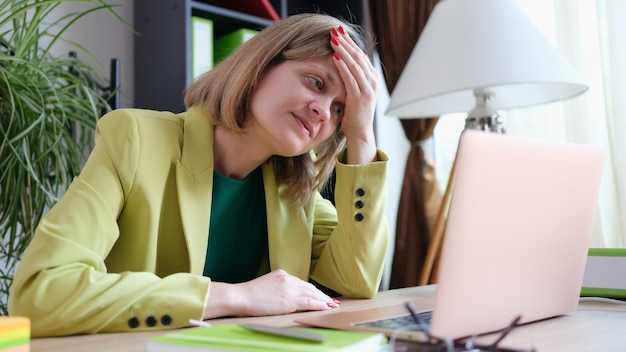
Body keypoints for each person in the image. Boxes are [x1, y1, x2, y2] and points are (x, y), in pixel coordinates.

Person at [8, 13, 389, 337]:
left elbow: (355, 282)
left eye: (340, 110)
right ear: (260, 65)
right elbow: (40, 292)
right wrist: (236, 297)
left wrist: (361, 132)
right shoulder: (136, 140)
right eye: (316, 82)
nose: (324, 111)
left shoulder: (296, 193)